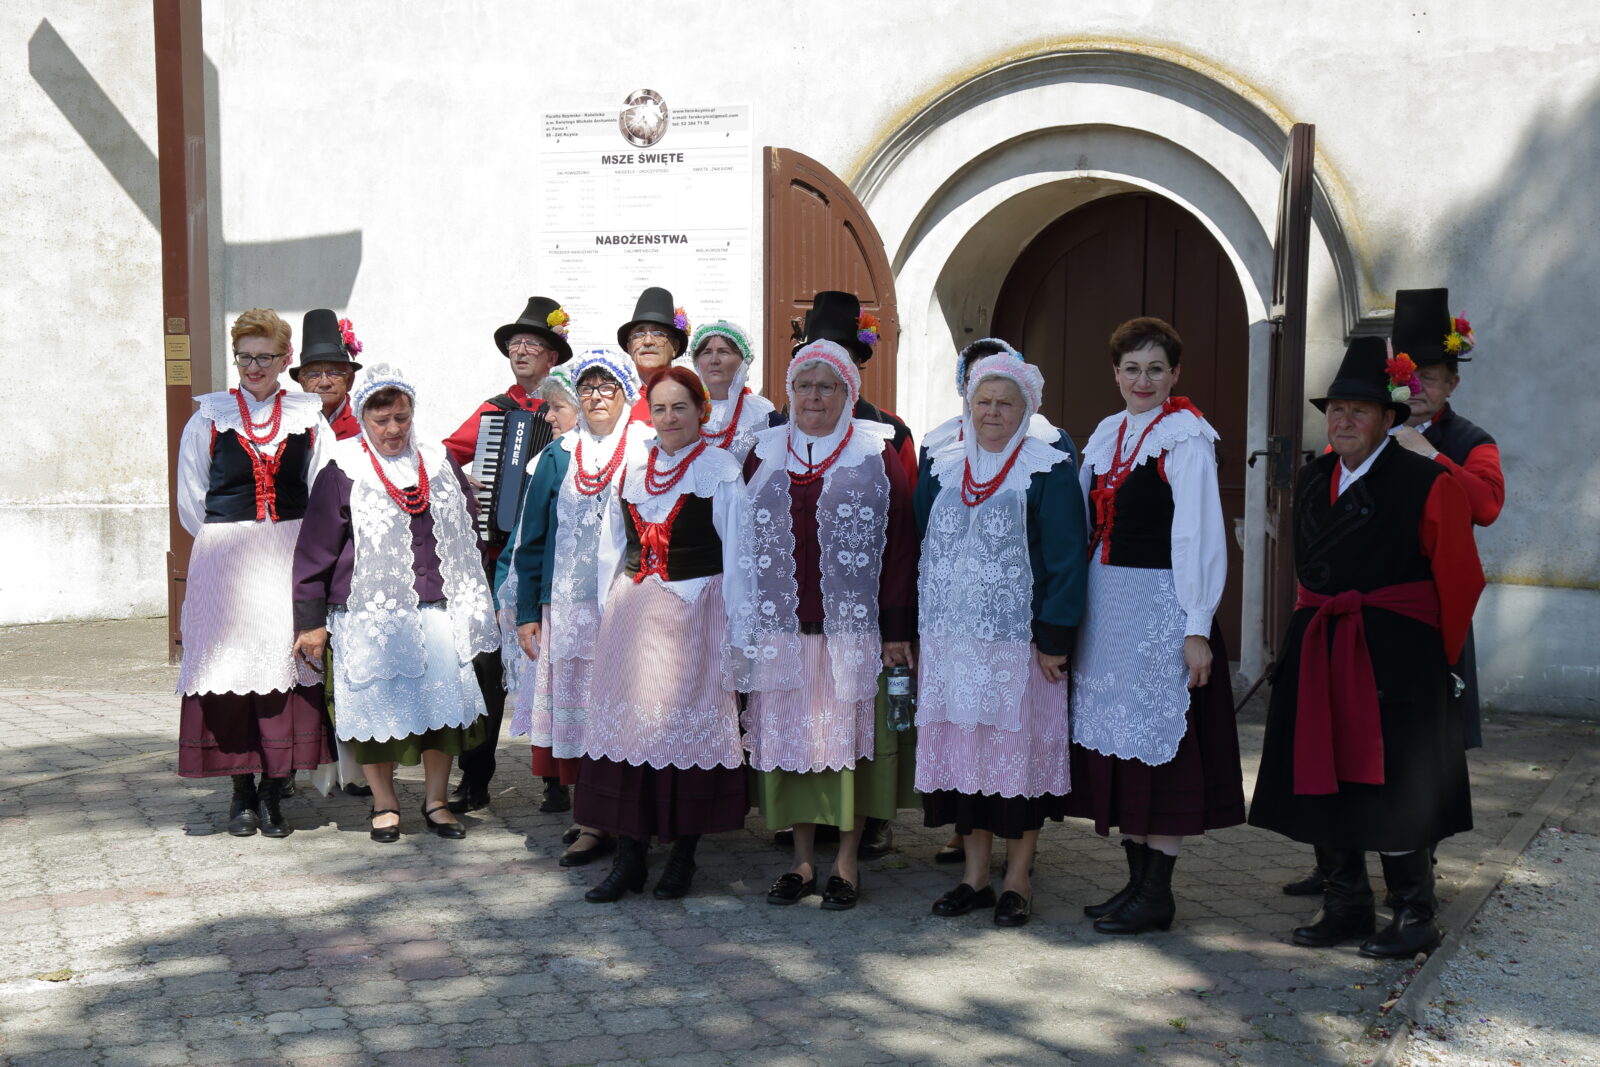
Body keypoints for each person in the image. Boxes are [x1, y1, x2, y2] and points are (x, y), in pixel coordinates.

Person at [1249, 336, 1484, 959]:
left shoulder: (1427, 482)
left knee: (1397, 783)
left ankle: (1413, 912)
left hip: (1397, 656)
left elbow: (1461, 578)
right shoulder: (1314, 476)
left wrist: (1440, 661)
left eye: (1359, 410)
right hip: (1322, 641)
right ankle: (1345, 902)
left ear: (1388, 420)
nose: (1344, 420)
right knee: (1321, 773)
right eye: (1335, 410)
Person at [1280, 288, 1503, 898]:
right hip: (1337, 628)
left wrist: (1428, 454)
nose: (1419, 387)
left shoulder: (1464, 445)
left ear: (1449, 384)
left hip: (1412, 625)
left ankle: (1413, 887)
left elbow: (1480, 515)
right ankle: (1339, 880)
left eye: (1430, 377)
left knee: (1405, 762)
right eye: (1413, 376)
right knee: (1333, 754)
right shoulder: (1333, 461)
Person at [1066, 317, 1244, 935]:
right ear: (1115, 374)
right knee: (1120, 741)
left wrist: (1196, 626)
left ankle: (1158, 893)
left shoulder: (1186, 437)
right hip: (1107, 608)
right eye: (1132, 368)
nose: (1143, 380)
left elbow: (1197, 534)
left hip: (1160, 606)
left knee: (1161, 750)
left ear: (1175, 375)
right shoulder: (1107, 432)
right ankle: (1136, 883)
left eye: (1156, 369)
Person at [731, 341, 918, 911]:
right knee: (793, 748)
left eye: (826, 386)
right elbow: (738, 542)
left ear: (848, 394)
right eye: (804, 386)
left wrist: (894, 629)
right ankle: (801, 861)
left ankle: (846, 863)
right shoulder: (760, 452)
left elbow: (901, 545)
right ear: (790, 393)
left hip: (851, 632)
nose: (814, 396)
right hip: (780, 632)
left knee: (848, 751)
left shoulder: (874, 453)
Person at [914, 355, 1087, 927]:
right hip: (952, 641)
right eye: (983, 401)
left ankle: (1017, 879)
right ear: (969, 405)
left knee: (1018, 765)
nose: (992, 412)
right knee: (970, 762)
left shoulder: (1047, 467)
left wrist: (1055, 638)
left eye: (1004, 403)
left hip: (1021, 646)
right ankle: (973, 878)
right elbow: (923, 540)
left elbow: (1065, 560)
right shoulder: (944, 463)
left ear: (1027, 409)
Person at [291, 364, 498, 841]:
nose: (392, 430)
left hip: (438, 608)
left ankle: (436, 801)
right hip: (369, 613)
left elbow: (465, 527)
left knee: (441, 713)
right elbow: (313, 553)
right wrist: (310, 622)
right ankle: (385, 803)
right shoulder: (344, 469)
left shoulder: (438, 462)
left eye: (401, 418)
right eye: (381, 420)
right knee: (377, 710)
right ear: (364, 418)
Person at [574, 366, 748, 903]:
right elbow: (610, 547)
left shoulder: (720, 469)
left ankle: (683, 858)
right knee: (628, 738)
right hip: (634, 614)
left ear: (702, 412)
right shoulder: (632, 467)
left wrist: (740, 634)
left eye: (680, 408)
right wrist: (605, 613)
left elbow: (740, 556)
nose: (670, 418)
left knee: (683, 731)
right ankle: (629, 858)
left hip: (696, 612)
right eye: (662, 408)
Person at [771, 291, 919, 859]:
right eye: (812, 361)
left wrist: (897, 623)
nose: (818, 387)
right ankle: (802, 819)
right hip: (796, 618)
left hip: (860, 616)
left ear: (853, 369)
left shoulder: (887, 433)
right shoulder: (777, 435)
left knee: (863, 724)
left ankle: (867, 822)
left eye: (836, 364)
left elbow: (903, 530)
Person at [175, 308, 333, 838]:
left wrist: (304, 553)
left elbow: (323, 490)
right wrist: (230, 537)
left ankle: (273, 791)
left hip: (289, 553)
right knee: (231, 676)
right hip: (226, 556)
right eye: (245, 357)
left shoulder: (309, 417)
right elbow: (191, 498)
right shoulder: (209, 417)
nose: (254, 366)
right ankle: (240, 791)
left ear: (286, 360)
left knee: (281, 674)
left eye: (265, 357)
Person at [496, 351, 644, 868]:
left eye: (608, 388)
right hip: (569, 607)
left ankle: (632, 816)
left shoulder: (647, 448)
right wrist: (526, 612)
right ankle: (590, 819)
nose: (597, 397)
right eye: (588, 389)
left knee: (627, 708)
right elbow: (531, 537)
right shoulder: (560, 454)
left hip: (630, 604)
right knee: (581, 715)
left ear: (627, 394)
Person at [442, 296, 571, 815]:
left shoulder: (569, 406)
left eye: (532, 344)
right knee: (486, 669)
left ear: (552, 356)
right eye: (515, 344)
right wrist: (469, 488)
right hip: (498, 557)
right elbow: (448, 452)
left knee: (557, 668)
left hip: (555, 563)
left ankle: (558, 778)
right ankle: (476, 776)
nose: (521, 351)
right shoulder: (496, 410)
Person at [680, 319, 774, 461]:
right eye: (706, 352)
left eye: (724, 352)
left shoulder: (761, 414)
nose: (714, 360)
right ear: (697, 361)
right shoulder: (683, 408)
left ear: (743, 361)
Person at [617, 286, 690, 424]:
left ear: (675, 347)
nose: (648, 341)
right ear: (629, 347)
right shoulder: (614, 396)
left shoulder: (691, 394)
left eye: (657, 333)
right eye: (639, 334)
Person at [290, 313, 362, 440]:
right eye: (314, 374)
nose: (324, 383)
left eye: (334, 373)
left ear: (349, 380)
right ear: (302, 382)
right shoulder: (290, 426)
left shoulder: (364, 425)